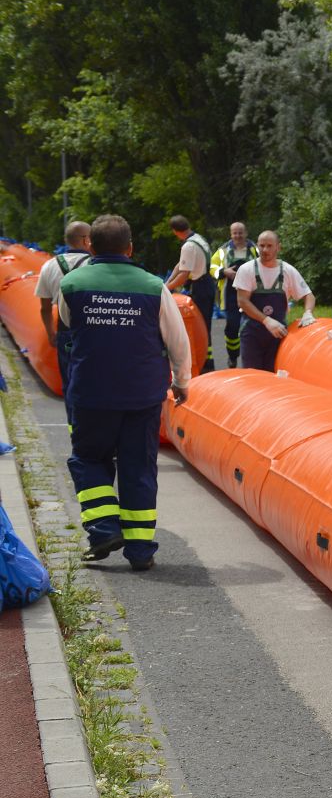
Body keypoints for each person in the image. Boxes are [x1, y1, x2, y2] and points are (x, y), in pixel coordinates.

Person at [58, 214, 192, 570]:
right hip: (142, 396)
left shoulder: (72, 283)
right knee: (139, 467)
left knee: (87, 459)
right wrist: (182, 382)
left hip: (91, 393)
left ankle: (103, 530)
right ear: (130, 248)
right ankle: (140, 551)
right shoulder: (153, 286)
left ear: (91, 246)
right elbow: (177, 340)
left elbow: (69, 324)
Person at [233, 230, 316, 372]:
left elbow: (309, 295)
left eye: (269, 246)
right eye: (262, 246)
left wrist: (308, 312)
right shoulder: (246, 270)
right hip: (252, 333)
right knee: (253, 376)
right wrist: (266, 320)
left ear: (278, 247)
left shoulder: (288, 271)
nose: (265, 250)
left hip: (278, 335)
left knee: (276, 376)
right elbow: (242, 301)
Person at [35, 220, 93, 414]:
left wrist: (51, 333)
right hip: (93, 328)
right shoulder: (94, 264)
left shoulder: (49, 266)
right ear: (86, 240)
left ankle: (73, 425)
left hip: (64, 330)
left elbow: (44, 308)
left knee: (69, 380)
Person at [165, 215, 217, 372]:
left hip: (200, 286)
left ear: (175, 231)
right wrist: (168, 283)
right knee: (205, 324)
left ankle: (203, 366)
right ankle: (207, 363)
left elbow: (184, 274)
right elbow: (180, 265)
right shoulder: (198, 239)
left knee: (199, 327)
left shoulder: (188, 246)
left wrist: (167, 288)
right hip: (207, 283)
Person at [209, 222, 258, 367]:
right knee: (232, 327)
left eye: (240, 233)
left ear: (246, 233)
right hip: (230, 294)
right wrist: (224, 272)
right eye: (235, 233)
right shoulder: (223, 250)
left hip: (252, 294)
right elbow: (211, 266)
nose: (238, 236)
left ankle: (252, 358)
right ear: (231, 234)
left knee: (253, 326)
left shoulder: (255, 249)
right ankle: (233, 356)